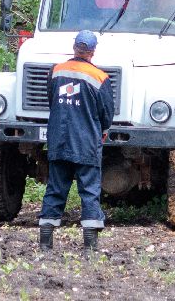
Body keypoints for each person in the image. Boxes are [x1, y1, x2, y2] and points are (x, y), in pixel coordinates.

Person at [38, 29, 113, 253]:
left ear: (74, 48)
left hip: (58, 142)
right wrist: (103, 130)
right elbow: (106, 113)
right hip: (86, 143)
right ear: (93, 51)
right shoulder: (100, 78)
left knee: (55, 190)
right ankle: (89, 248)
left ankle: (45, 245)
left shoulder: (56, 72)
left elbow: (52, 101)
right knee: (89, 191)